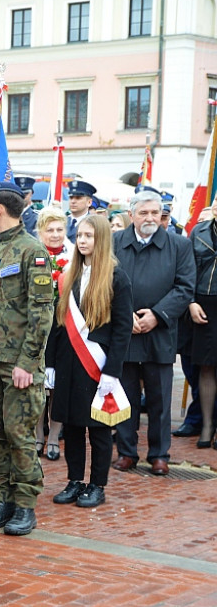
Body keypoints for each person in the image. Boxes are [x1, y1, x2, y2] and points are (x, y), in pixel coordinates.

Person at [0, 181, 53, 537]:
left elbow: (42, 312)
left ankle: (25, 505)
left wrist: (27, 362)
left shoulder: (32, 251)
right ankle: (4, 498)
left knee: (19, 435)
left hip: (17, 365)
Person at [48, 214, 133, 508]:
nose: (83, 241)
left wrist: (112, 371)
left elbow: (122, 329)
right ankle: (74, 480)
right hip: (69, 362)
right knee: (71, 425)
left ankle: (97, 484)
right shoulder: (69, 272)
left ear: (102, 239)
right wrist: (49, 364)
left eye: (89, 236)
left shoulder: (115, 276)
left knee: (97, 428)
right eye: (80, 235)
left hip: (96, 364)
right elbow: (58, 324)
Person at [111, 190, 194, 475]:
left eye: (154, 213)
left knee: (159, 399)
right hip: (125, 331)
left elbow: (185, 287)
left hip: (160, 332)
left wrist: (157, 315)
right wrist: (125, 316)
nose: (149, 218)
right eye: (143, 212)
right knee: (126, 396)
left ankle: (159, 454)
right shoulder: (115, 242)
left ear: (162, 216)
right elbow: (104, 282)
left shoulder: (179, 245)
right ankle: (126, 452)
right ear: (131, 214)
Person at [36, 207, 73, 461]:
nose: (55, 234)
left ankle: (53, 437)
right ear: (41, 232)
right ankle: (38, 433)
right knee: (39, 384)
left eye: (59, 229)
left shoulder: (74, 256)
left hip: (65, 328)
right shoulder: (32, 254)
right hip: (39, 329)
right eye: (50, 230)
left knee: (59, 387)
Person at [189, 211, 217, 447]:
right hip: (204, 303)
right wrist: (190, 302)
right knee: (206, 366)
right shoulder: (198, 231)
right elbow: (187, 270)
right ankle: (207, 425)